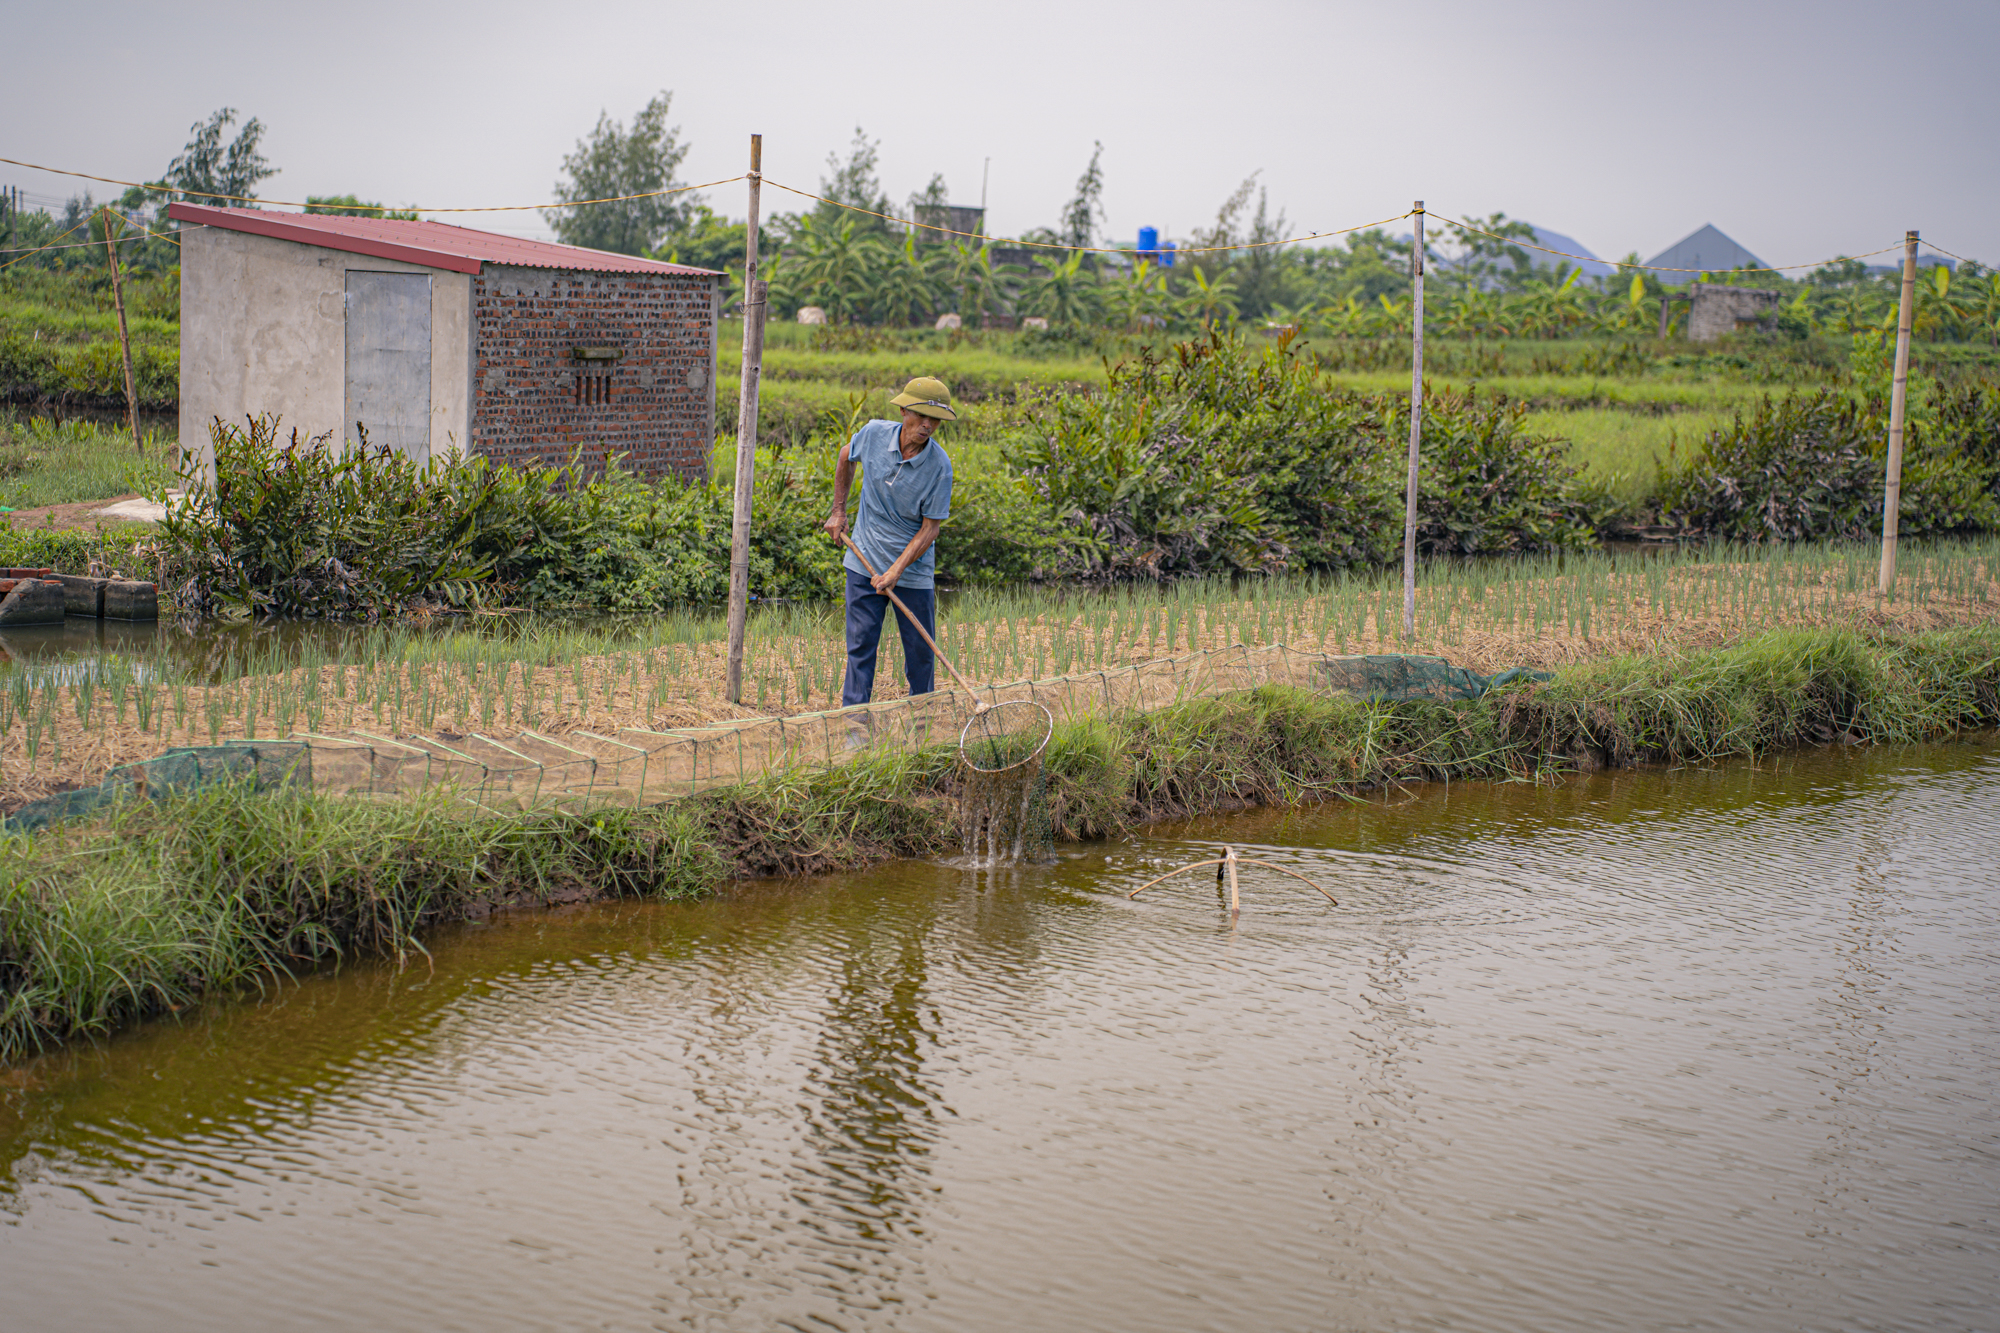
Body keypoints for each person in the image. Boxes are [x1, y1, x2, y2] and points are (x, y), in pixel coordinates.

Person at [823, 376, 956, 706]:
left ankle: (922, 725)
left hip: (911, 572)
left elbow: (930, 529)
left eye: (934, 419)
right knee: (861, 645)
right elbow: (845, 457)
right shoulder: (872, 434)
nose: (927, 425)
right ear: (903, 410)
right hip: (864, 560)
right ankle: (855, 724)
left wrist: (897, 570)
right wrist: (838, 511)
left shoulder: (940, 468)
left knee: (921, 654)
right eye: (920, 415)